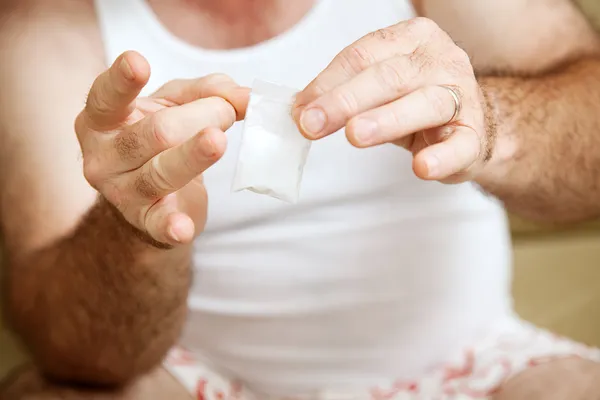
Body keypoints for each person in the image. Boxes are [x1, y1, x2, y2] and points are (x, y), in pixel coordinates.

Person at [1, 0, 600, 399]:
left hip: (483, 365)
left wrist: (491, 121)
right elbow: (72, 349)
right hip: (196, 379)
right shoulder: (45, 26)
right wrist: (141, 225)